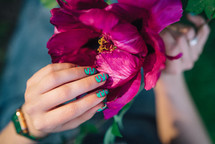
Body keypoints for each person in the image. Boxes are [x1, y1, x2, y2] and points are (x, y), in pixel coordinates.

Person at [0, 1, 211, 143]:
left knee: (57, 11)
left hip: (48, 114)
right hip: (136, 92)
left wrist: (26, 123)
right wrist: (170, 78)